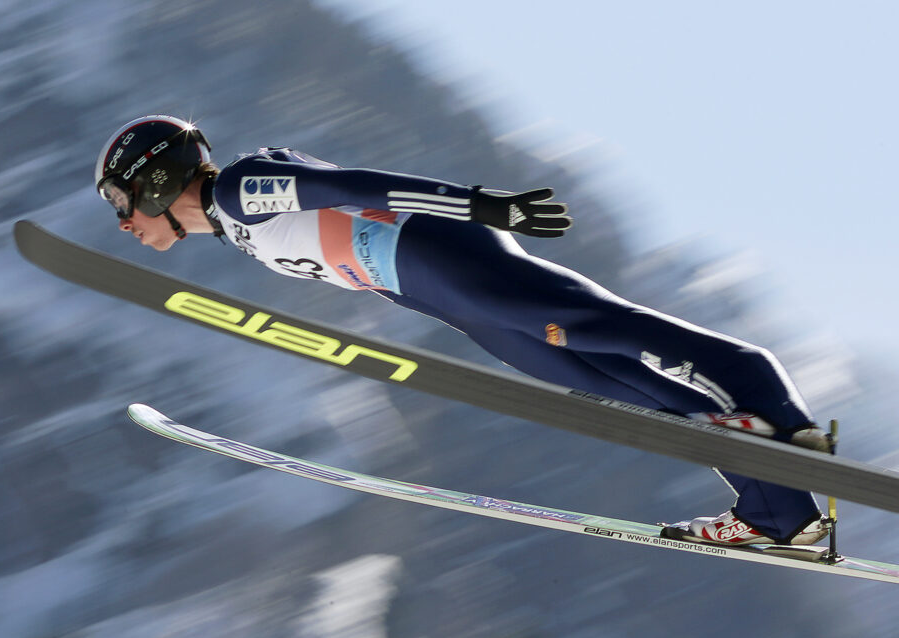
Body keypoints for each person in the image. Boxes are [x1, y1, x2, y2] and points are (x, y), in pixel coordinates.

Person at [95, 114, 832, 547]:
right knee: (620, 385)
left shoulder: (239, 186)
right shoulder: (231, 225)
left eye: (123, 202)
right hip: (438, 294)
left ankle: (779, 415)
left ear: (157, 180)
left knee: (607, 330)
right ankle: (780, 514)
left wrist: (483, 206)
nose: (123, 222)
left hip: (445, 257)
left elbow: (357, 187)